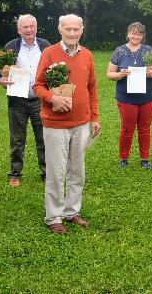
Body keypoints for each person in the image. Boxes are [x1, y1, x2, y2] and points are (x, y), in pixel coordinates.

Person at [34, 14, 100, 234]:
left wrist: (94, 117)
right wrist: (53, 98)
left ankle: (72, 211)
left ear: (82, 30)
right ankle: (54, 217)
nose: (72, 33)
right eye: (68, 29)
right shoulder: (49, 53)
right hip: (55, 124)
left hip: (81, 123)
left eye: (76, 29)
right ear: (60, 29)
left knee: (77, 171)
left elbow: (92, 88)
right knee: (56, 172)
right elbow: (38, 86)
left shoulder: (87, 55)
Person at [0, 14, 51, 187]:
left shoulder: (45, 45)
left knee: (43, 138)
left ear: (36, 27)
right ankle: (15, 174)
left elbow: (54, 68)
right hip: (17, 100)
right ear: (19, 30)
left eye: (31, 26)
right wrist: (1, 80)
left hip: (39, 100)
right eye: (25, 27)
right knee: (17, 140)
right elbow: (0, 71)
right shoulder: (11, 47)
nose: (28, 30)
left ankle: (47, 173)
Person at [106, 22, 152, 170]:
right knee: (127, 129)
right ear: (128, 34)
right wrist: (120, 74)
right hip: (126, 98)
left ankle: (144, 159)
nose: (136, 36)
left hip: (147, 97)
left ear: (143, 36)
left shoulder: (148, 50)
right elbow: (109, 74)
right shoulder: (119, 51)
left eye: (139, 33)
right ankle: (123, 158)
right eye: (133, 33)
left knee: (145, 129)